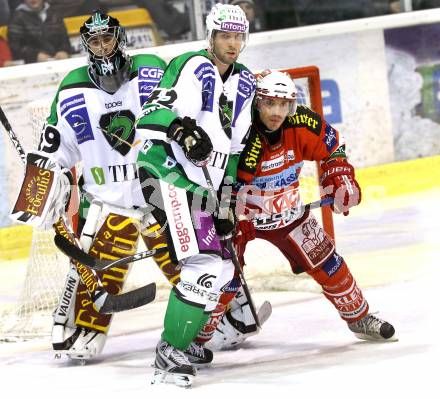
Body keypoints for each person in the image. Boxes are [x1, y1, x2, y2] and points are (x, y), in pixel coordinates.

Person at [10, 11, 167, 362]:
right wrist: (46, 176)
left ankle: (220, 317)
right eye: (94, 41)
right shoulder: (72, 88)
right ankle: (88, 329)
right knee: (100, 271)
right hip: (108, 200)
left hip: (157, 193)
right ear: (86, 45)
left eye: (106, 38)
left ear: (119, 37)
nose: (102, 46)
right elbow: (53, 146)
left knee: (186, 263)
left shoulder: (152, 69)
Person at [205, 70, 397, 350]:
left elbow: (333, 147)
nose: (277, 112)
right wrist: (234, 214)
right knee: (224, 277)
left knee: (330, 265)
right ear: (257, 102)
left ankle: (359, 317)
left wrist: (340, 176)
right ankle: (196, 340)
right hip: (239, 219)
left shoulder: (302, 122)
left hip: (289, 214)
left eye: (284, 104)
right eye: (270, 103)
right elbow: (220, 179)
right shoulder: (239, 132)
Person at [136, 2, 255, 387]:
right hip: (165, 174)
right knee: (203, 264)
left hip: (202, 184)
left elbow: (234, 152)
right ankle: (168, 353)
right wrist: (182, 131)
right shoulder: (193, 65)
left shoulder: (245, 82)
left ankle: (183, 340)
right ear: (211, 36)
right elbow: (152, 114)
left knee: (219, 269)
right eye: (225, 36)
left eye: (239, 36)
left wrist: (226, 200)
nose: (232, 44)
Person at [7, 0, 72, 64]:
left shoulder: (54, 13)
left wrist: (64, 51)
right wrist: (34, 55)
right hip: (31, 65)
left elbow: (64, 40)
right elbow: (15, 47)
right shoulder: (17, 17)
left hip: (57, 61)